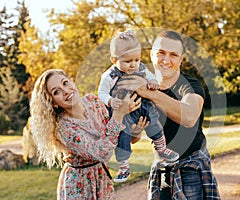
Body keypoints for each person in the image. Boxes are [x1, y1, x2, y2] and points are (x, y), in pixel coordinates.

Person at [117, 30, 221, 199]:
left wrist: (150, 93)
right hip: (162, 167)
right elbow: (132, 139)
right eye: (161, 53)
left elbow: (189, 117)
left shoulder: (190, 86)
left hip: (191, 167)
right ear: (151, 55)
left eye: (173, 55)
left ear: (181, 59)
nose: (166, 60)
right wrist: (135, 131)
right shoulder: (140, 88)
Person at [29, 69, 141, 199]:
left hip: (102, 179)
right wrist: (118, 114)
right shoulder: (64, 128)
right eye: (56, 92)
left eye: (65, 83)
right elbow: (102, 153)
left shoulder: (93, 102)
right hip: (79, 185)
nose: (65, 91)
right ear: (53, 103)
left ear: (71, 81)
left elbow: (113, 138)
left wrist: (135, 132)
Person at [98, 30, 179, 183]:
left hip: (141, 105)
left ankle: (161, 148)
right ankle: (123, 166)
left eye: (136, 59)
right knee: (123, 135)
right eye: (128, 61)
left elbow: (151, 77)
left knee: (153, 121)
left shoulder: (140, 68)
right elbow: (101, 93)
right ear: (114, 60)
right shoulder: (109, 75)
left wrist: (152, 82)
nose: (133, 64)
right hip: (123, 110)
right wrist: (109, 100)